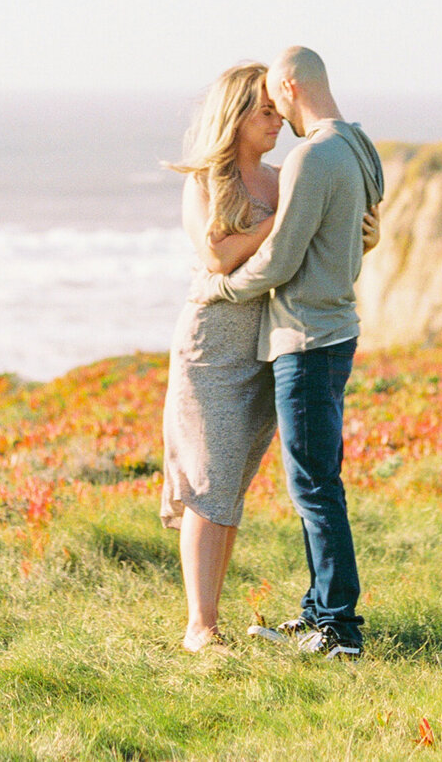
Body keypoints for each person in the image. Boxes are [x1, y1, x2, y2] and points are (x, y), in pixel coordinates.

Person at [201, 45, 385, 660]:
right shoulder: (361, 147)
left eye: (274, 97)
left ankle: (337, 627)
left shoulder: (312, 156)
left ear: (288, 86)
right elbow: (354, 234)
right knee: (318, 480)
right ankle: (318, 614)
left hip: (306, 339)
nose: (274, 113)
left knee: (313, 486)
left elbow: (281, 258)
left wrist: (226, 286)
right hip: (339, 330)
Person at [158, 64, 286, 653]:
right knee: (208, 481)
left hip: (263, 347)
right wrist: (283, 224)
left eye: (279, 109)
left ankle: (209, 620)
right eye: (266, 110)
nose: (278, 119)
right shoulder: (206, 180)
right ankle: (199, 627)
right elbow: (218, 257)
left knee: (229, 484)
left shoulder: (284, 181)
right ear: (234, 113)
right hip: (212, 349)